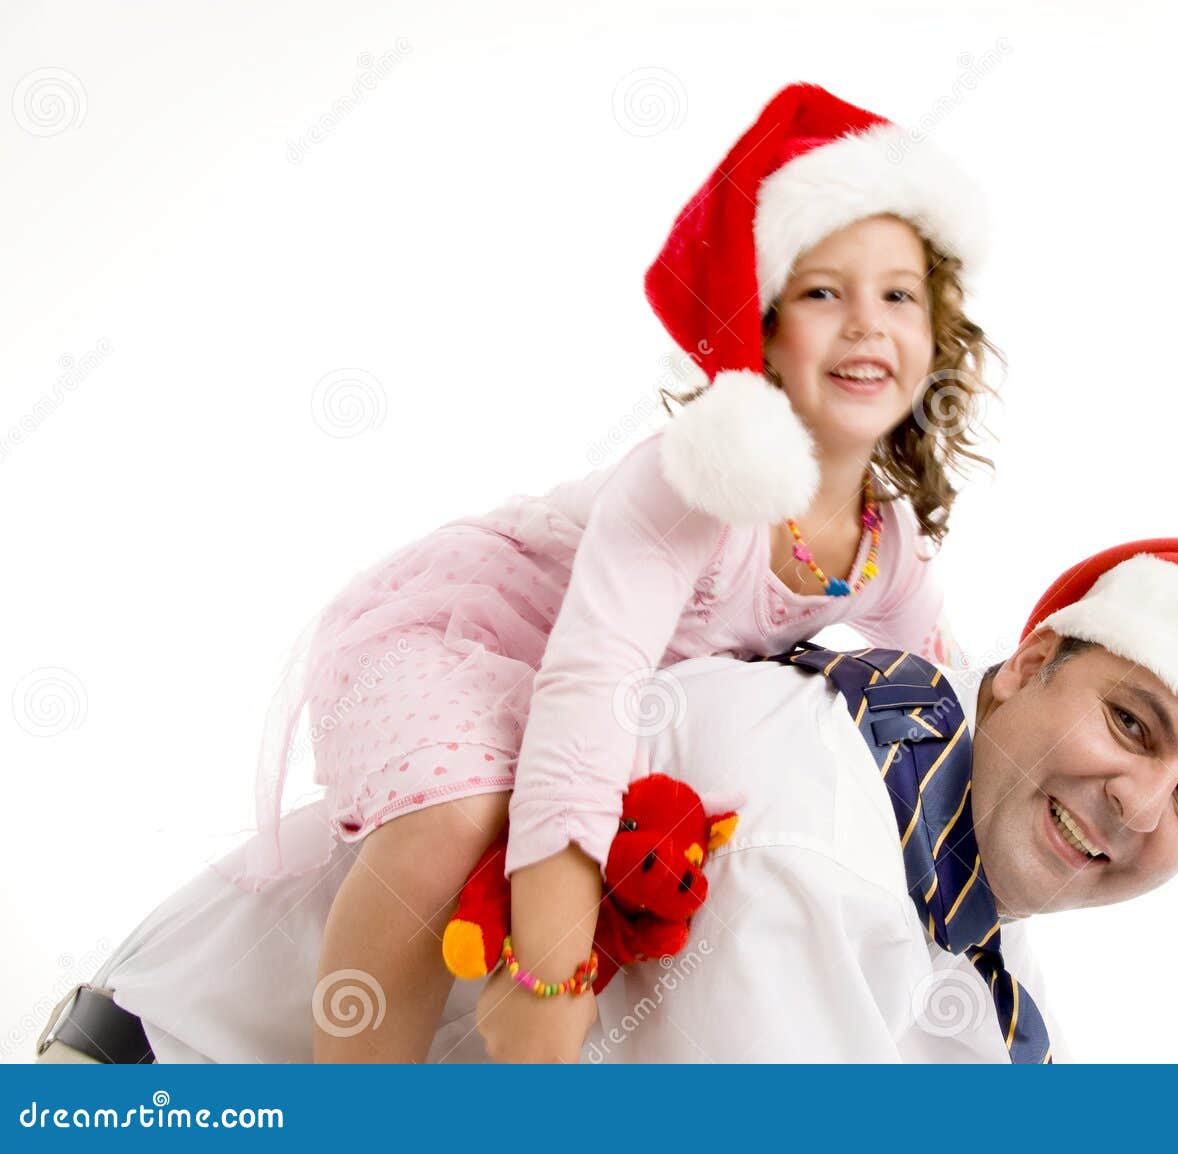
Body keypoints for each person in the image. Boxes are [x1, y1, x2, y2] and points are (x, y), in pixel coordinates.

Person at [208, 82, 1001, 1062]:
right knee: (459, 812)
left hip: (597, 696)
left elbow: (942, 696)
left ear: (935, 333)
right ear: (758, 326)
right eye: (822, 292)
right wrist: (552, 969)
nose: (866, 324)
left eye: (897, 295)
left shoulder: (886, 549)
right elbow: (588, 687)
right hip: (466, 639)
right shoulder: (694, 484)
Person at [38, 538, 1178, 1063]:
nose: (1138, 800)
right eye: (1130, 722)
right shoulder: (812, 829)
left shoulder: (960, 883)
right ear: (1027, 667)